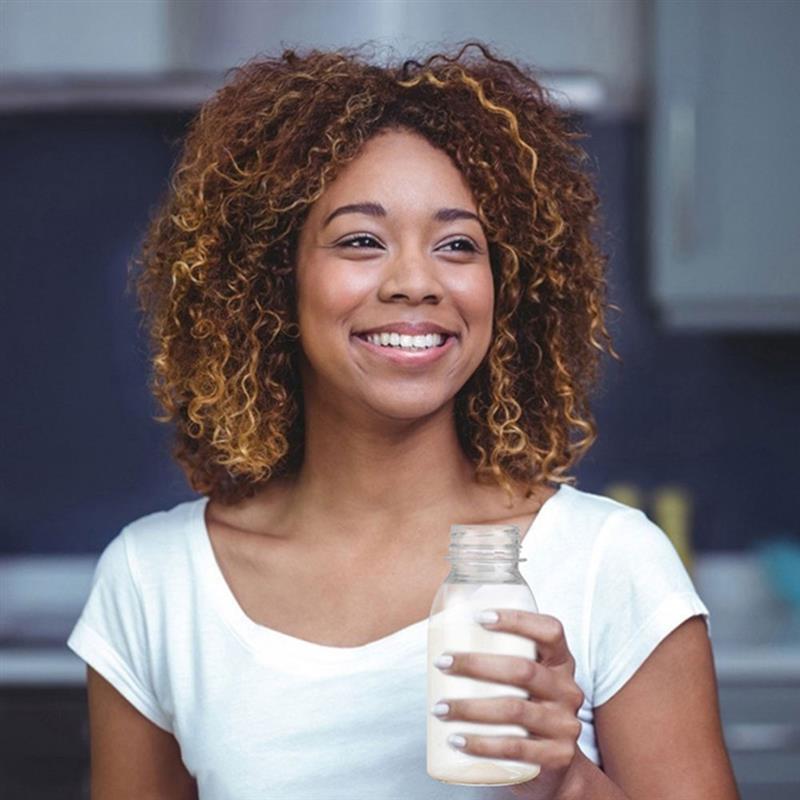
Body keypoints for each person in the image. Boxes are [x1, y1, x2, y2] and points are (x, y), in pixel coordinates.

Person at [67, 41, 739, 800]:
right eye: (361, 240)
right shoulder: (156, 582)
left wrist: (567, 782)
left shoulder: (610, 566)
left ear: (504, 287)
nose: (416, 282)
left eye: (458, 244)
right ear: (270, 280)